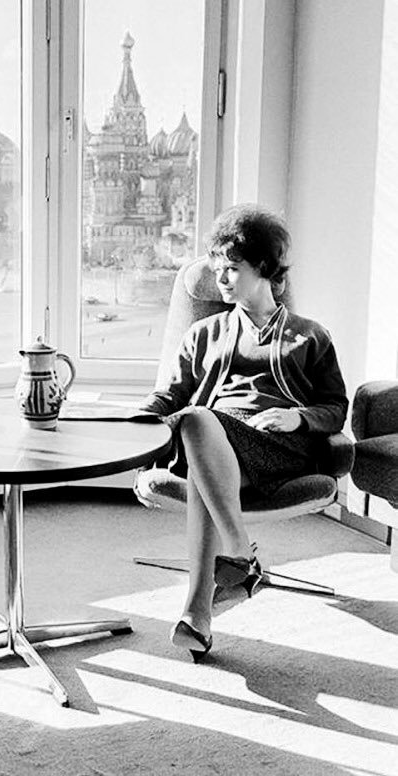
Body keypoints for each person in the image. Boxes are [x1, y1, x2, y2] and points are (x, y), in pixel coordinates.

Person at [137, 204, 348, 662]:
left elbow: (336, 408)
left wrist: (299, 418)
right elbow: (169, 398)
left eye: (232, 268)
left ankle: (223, 575)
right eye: (217, 268)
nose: (221, 279)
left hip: (279, 446)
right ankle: (212, 596)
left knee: (197, 428)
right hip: (216, 445)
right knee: (196, 423)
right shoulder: (203, 333)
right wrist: (130, 423)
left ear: (265, 269)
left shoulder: (310, 337)